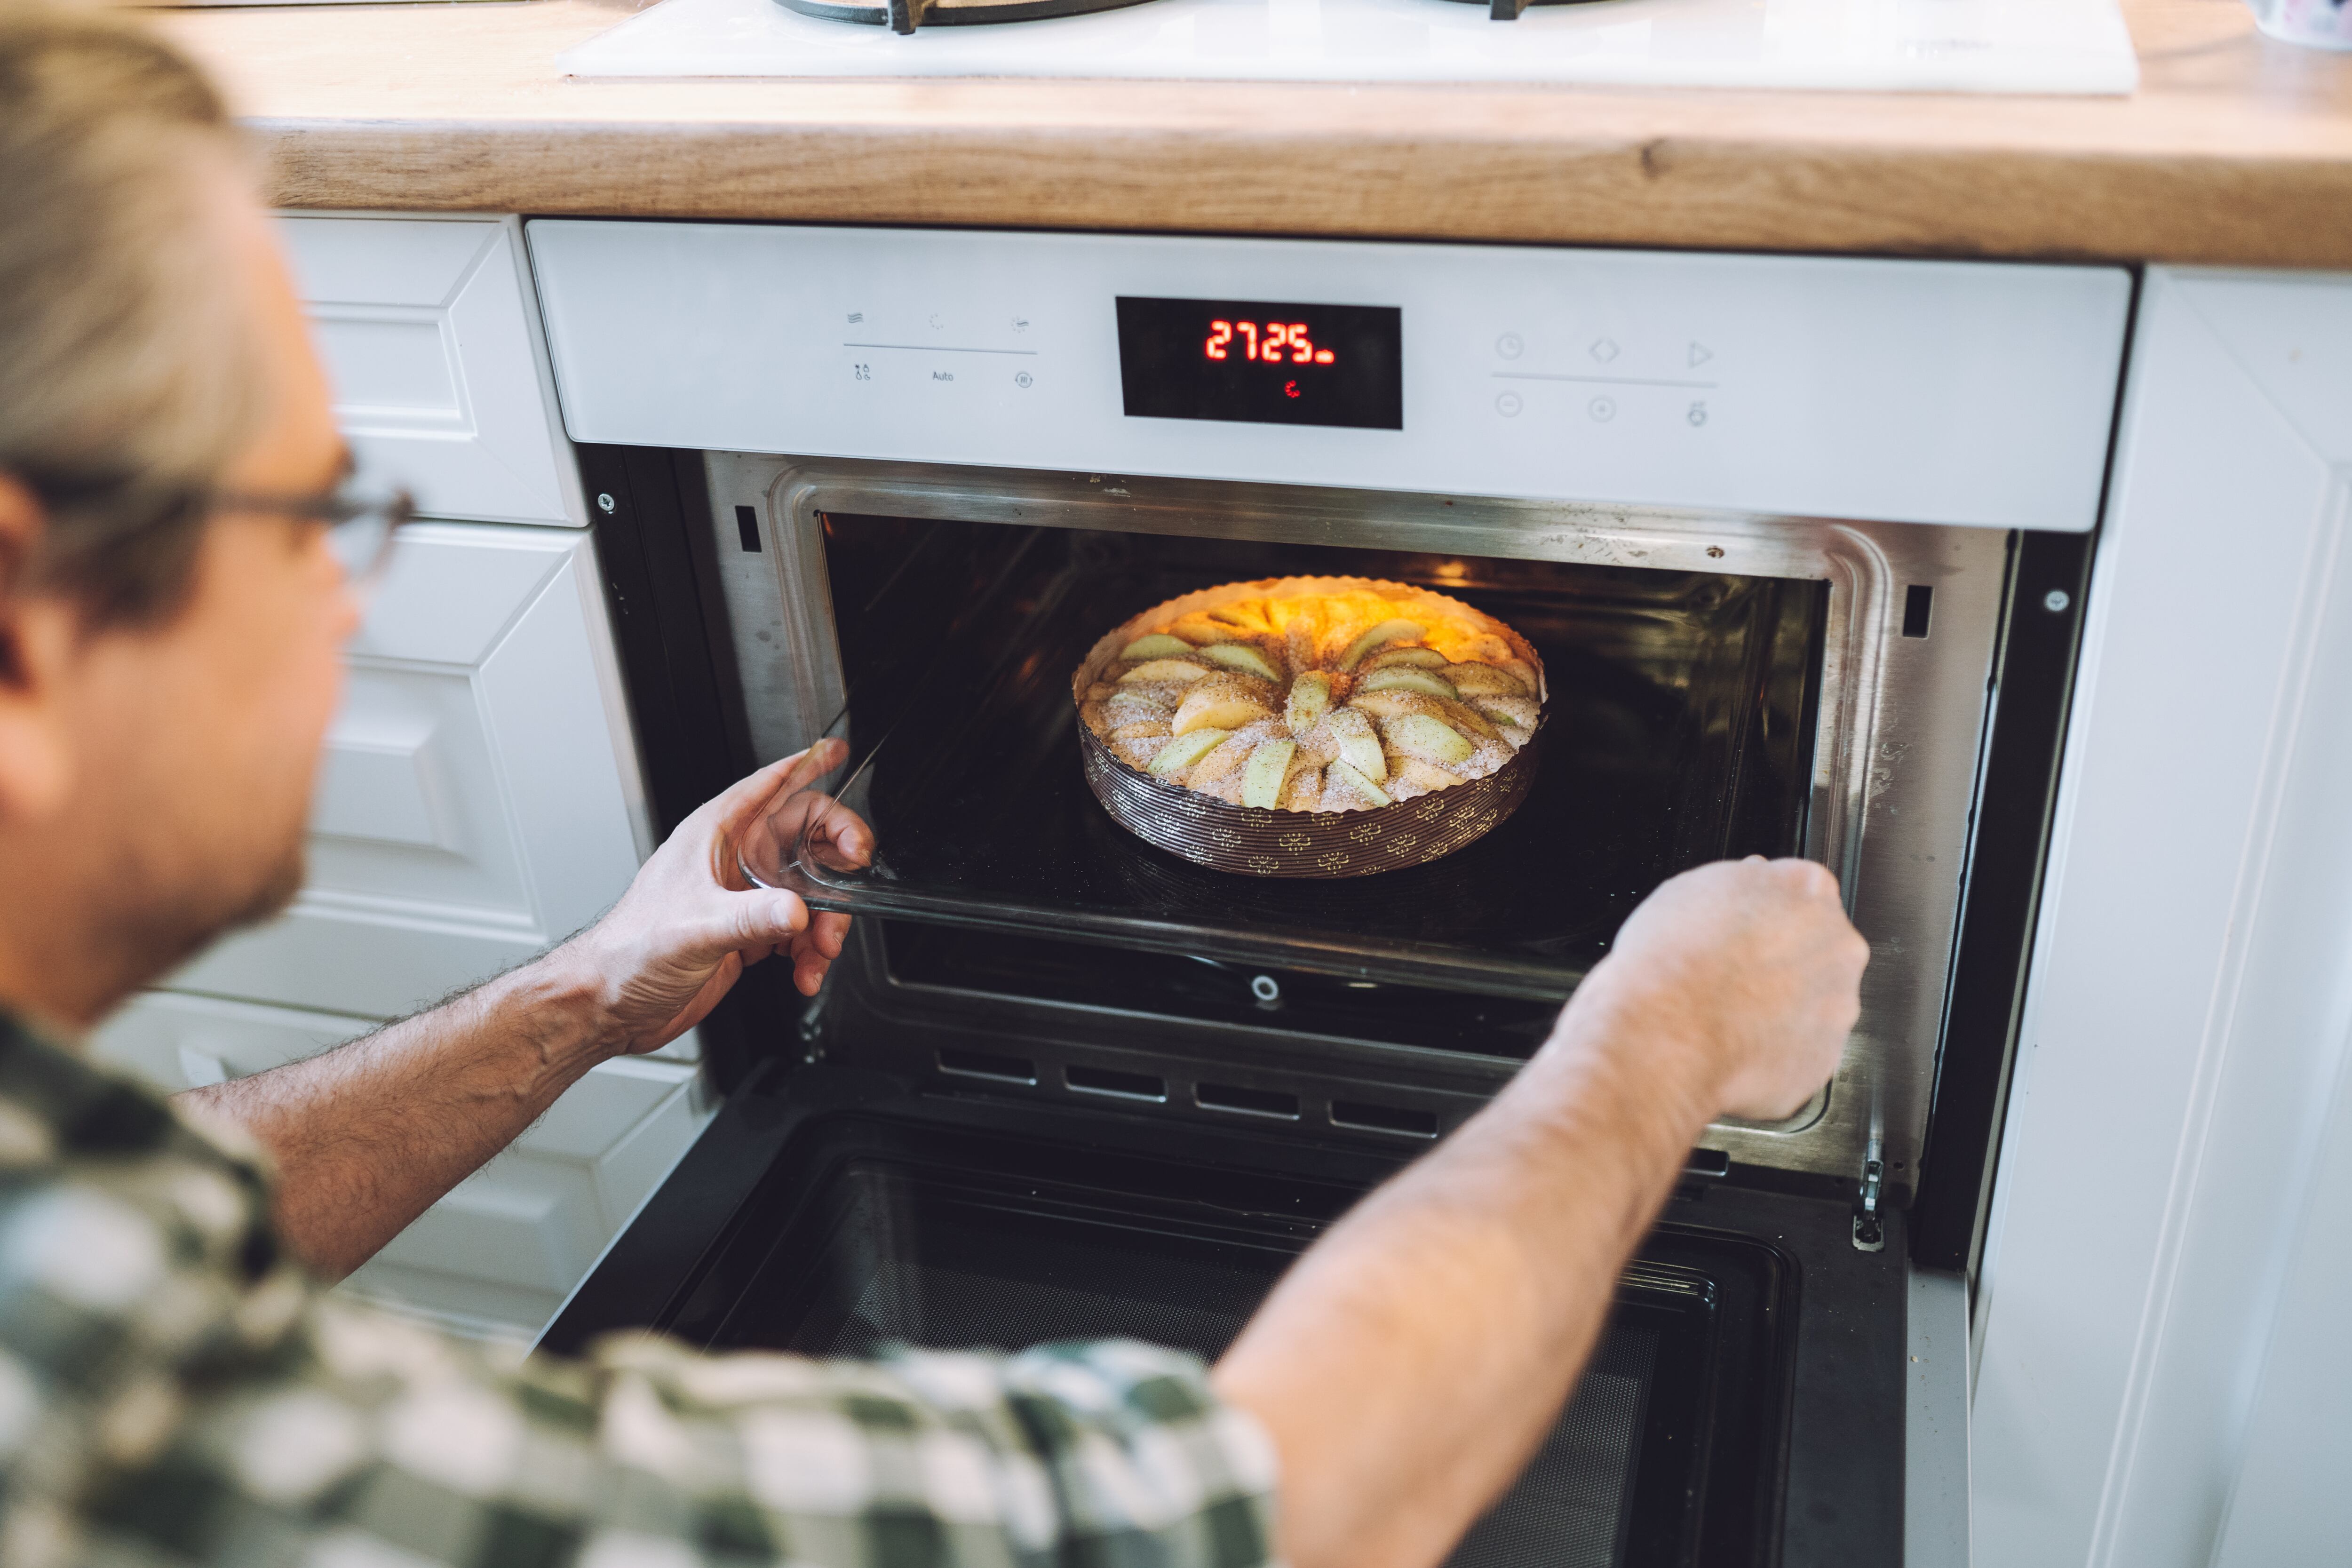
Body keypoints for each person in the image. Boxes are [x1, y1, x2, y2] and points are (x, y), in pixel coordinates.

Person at [0, 9, 1868, 1568]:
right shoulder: (128, 1423)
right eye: (305, 511)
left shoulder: (63, 1246)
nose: (348, 591)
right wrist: (1662, 1025)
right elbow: (1235, 1511)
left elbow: (151, 1211)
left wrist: (582, 992)